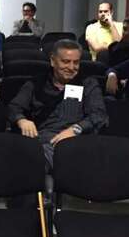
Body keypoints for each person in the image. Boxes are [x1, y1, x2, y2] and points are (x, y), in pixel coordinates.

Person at [8, 39, 108, 168]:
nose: (71, 67)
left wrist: (76, 129)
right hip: (42, 140)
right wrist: (21, 120)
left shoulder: (88, 84)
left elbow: (99, 115)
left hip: (75, 141)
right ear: (52, 61)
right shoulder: (37, 83)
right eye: (65, 61)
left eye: (76, 62)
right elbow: (14, 107)